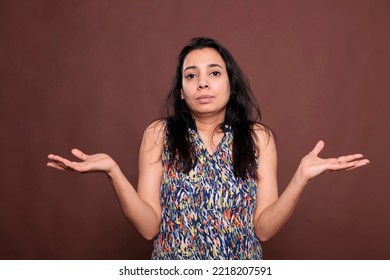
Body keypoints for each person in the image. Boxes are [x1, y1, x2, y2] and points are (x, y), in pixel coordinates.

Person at [47, 37, 369, 260]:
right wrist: (113, 172)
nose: (203, 83)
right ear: (182, 92)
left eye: (214, 73)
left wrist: (300, 177)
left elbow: (264, 229)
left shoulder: (259, 138)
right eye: (191, 75)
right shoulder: (159, 134)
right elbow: (148, 228)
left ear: (230, 83)